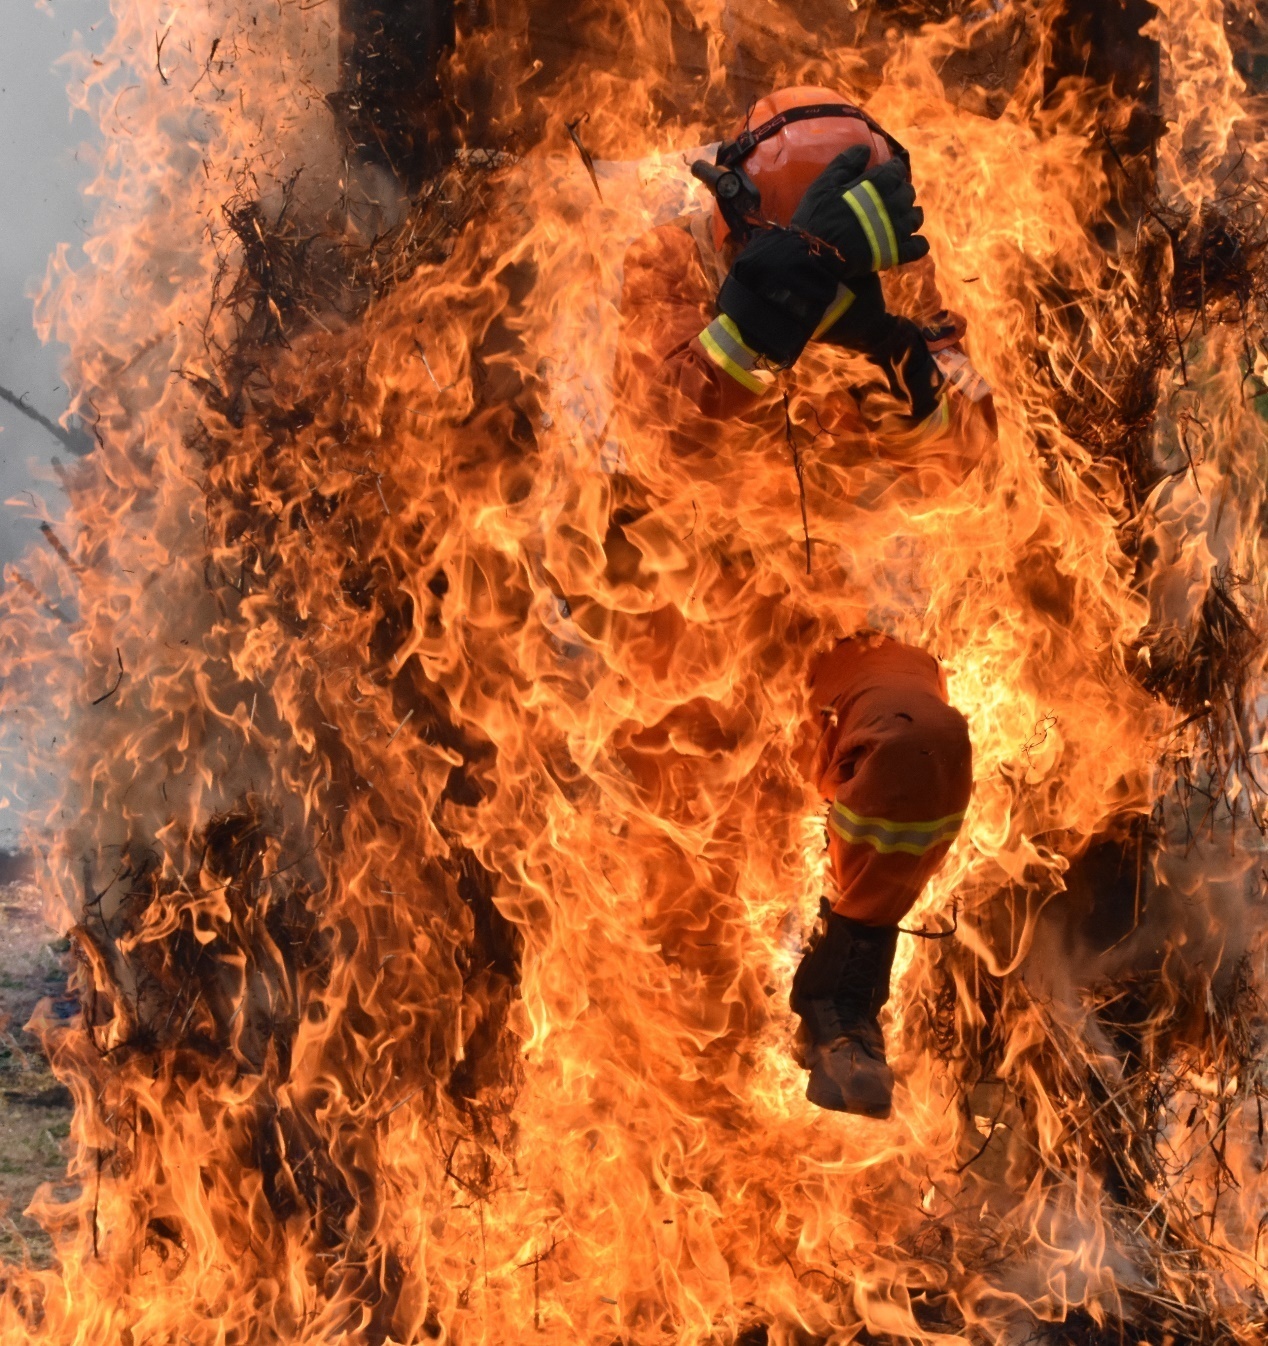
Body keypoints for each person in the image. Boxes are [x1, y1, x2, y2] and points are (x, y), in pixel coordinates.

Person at [615, 86, 987, 1117]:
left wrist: (887, 350)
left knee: (916, 745)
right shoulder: (661, 262)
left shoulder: (905, 274)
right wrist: (760, 316)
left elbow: (970, 459)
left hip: (845, 635)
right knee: (673, 1005)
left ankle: (845, 976)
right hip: (679, 645)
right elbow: (658, 434)